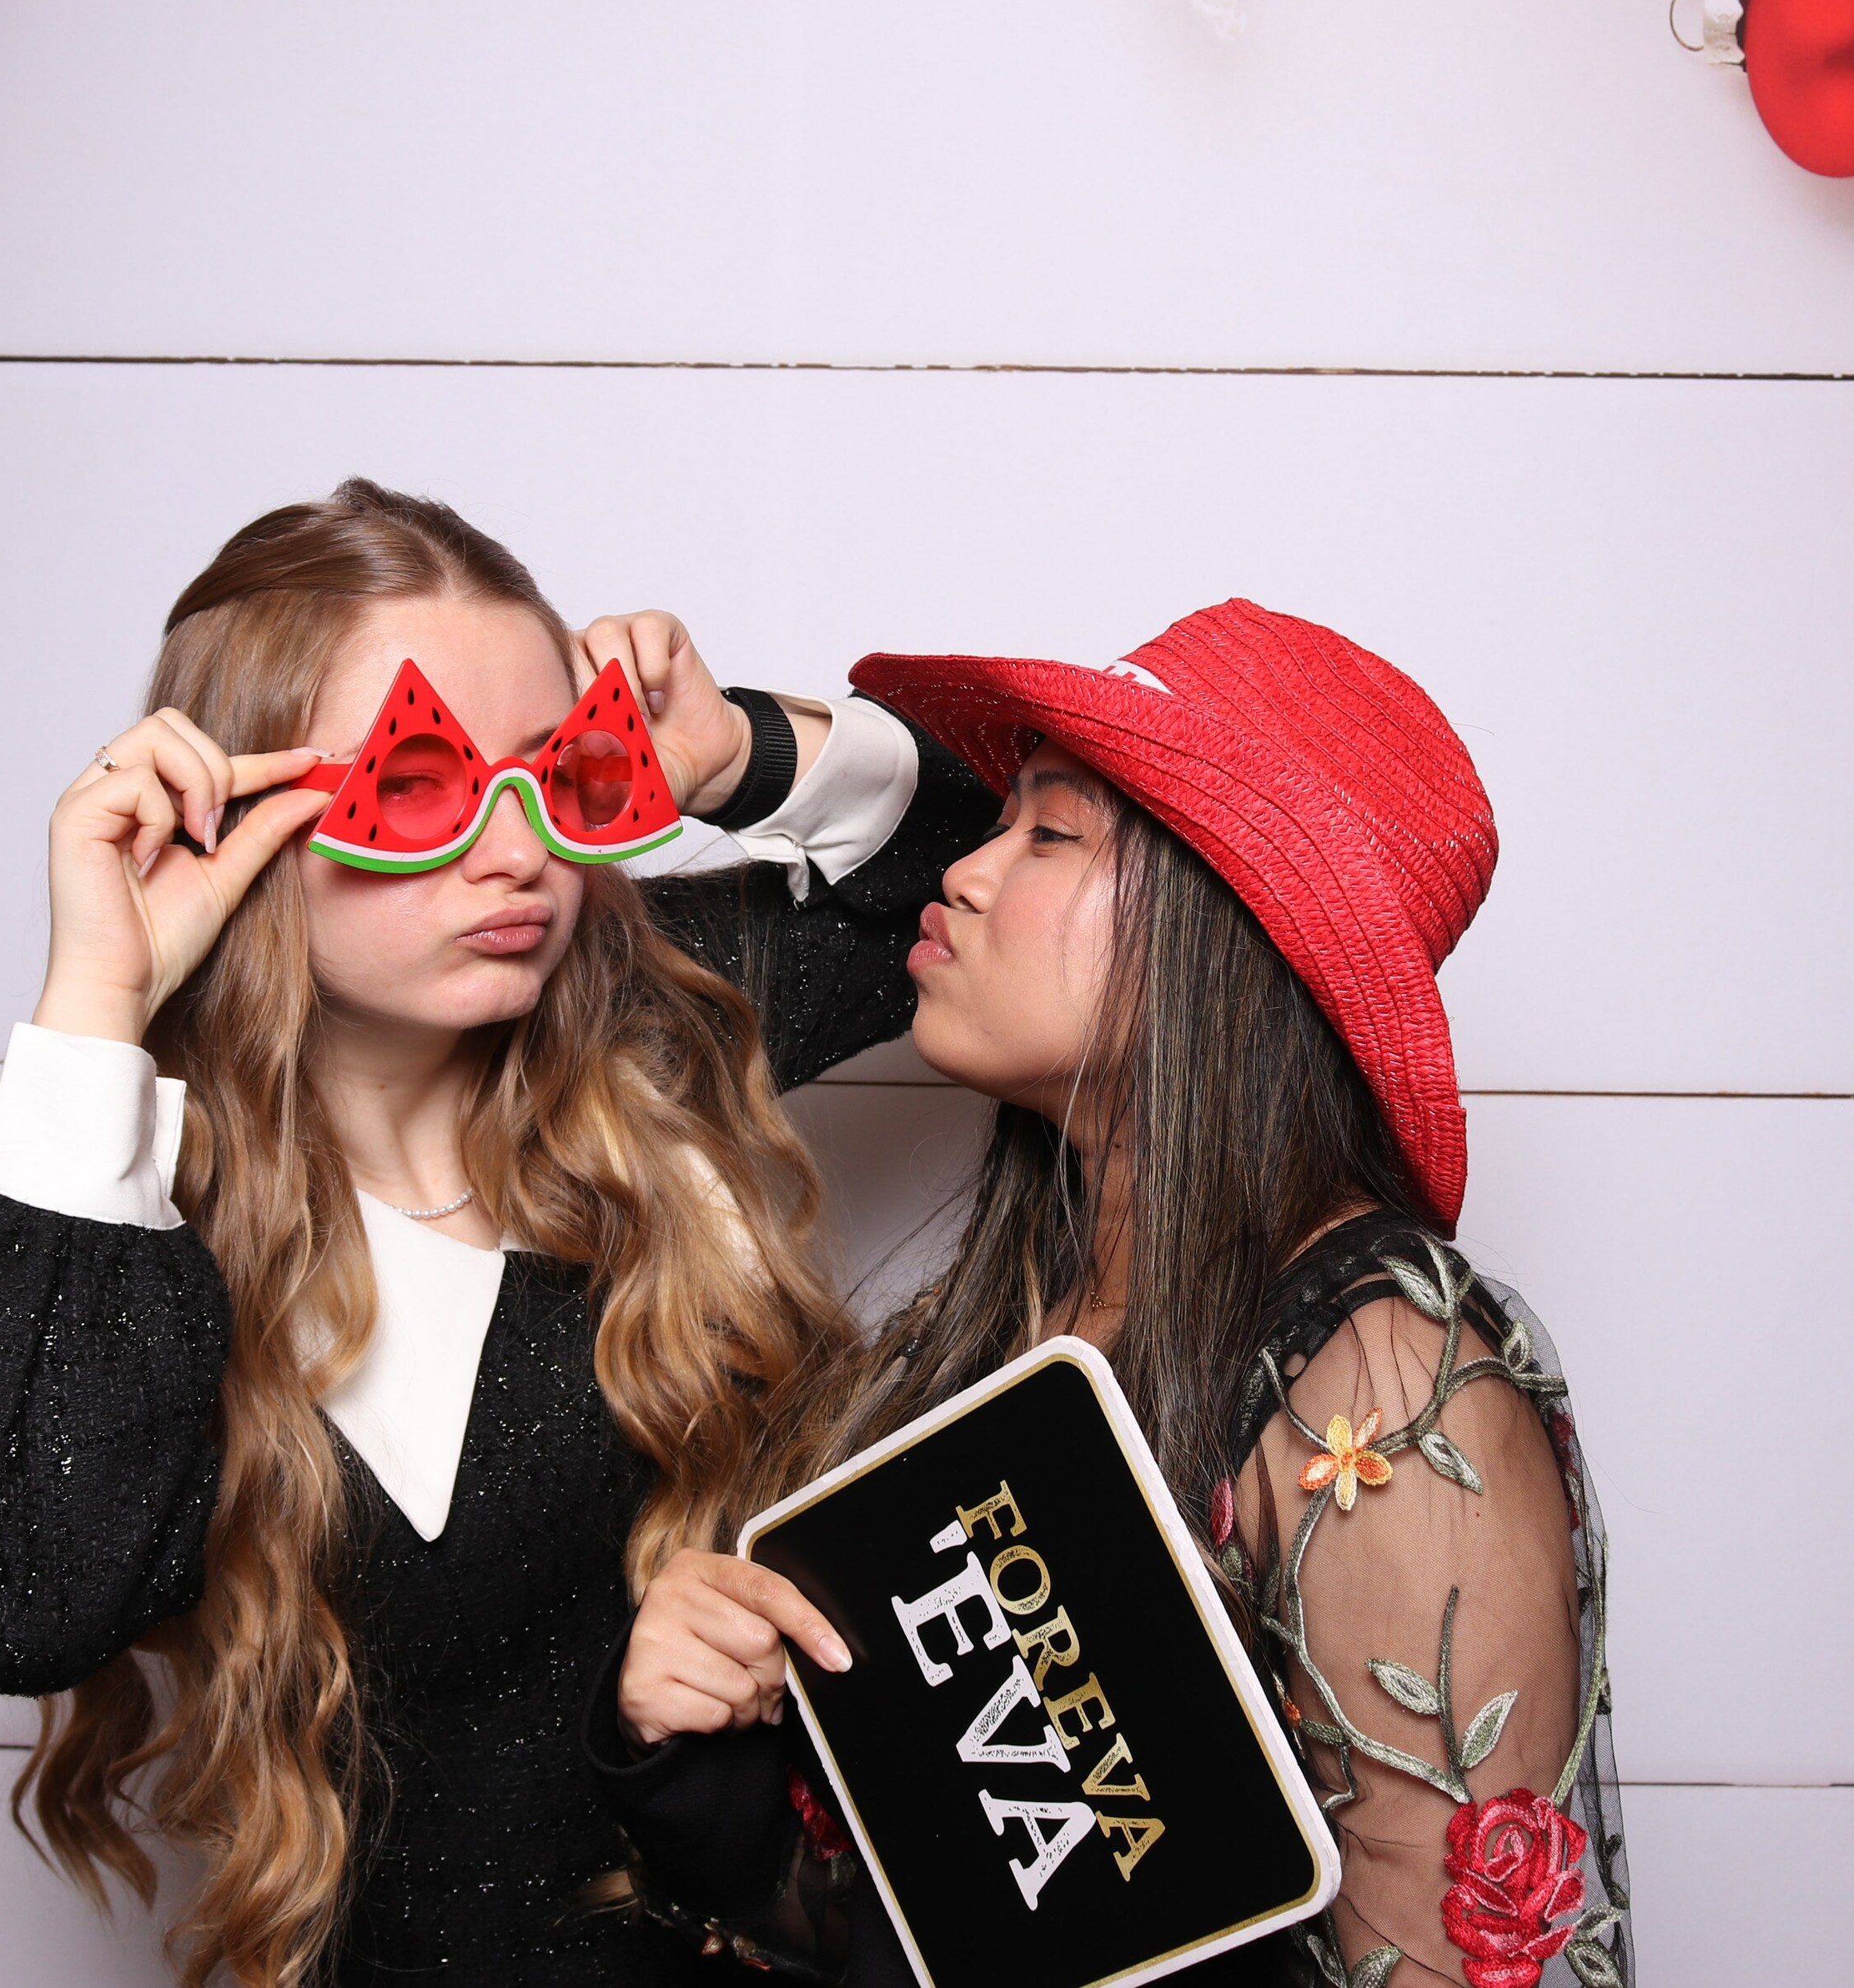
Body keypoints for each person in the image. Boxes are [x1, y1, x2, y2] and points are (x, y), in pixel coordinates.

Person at [0, 481, 991, 1988]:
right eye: (419, 785)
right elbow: (15, 1610)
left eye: (558, 771)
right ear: (235, 811)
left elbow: (990, 886)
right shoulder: (99, 1216)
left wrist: (736, 752)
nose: (517, 854)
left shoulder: (645, 1039)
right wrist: (100, 1001)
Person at [591, 600, 1627, 1988]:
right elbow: (928, 1927)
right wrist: (681, 1742)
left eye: (1049, 834)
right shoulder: (1023, 1305)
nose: (962, 872)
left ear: (1220, 932)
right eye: (999, 821)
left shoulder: (1381, 1380)